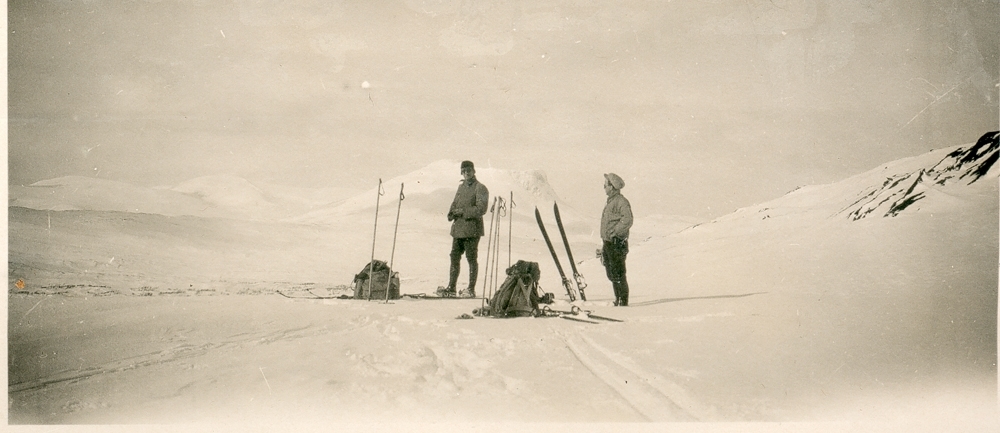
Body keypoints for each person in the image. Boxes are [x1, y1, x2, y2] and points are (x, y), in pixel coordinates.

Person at [437, 160, 489, 298]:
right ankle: (451, 287)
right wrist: (451, 212)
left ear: (474, 171)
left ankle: (471, 289)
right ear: (461, 172)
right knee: (454, 257)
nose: (467, 173)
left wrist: (461, 212)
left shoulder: (480, 188)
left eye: (469, 170)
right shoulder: (461, 187)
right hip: (459, 229)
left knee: (471, 258)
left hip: (472, 230)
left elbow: (481, 209)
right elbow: (455, 203)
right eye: (464, 171)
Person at [600, 173, 633, 306]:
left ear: (612, 187)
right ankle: (618, 299)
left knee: (619, 272)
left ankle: (623, 301)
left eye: (606, 185)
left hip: (616, 243)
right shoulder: (612, 201)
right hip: (609, 243)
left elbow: (628, 220)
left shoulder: (621, 202)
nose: (604, 187)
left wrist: (615, 232)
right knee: (612, 272)